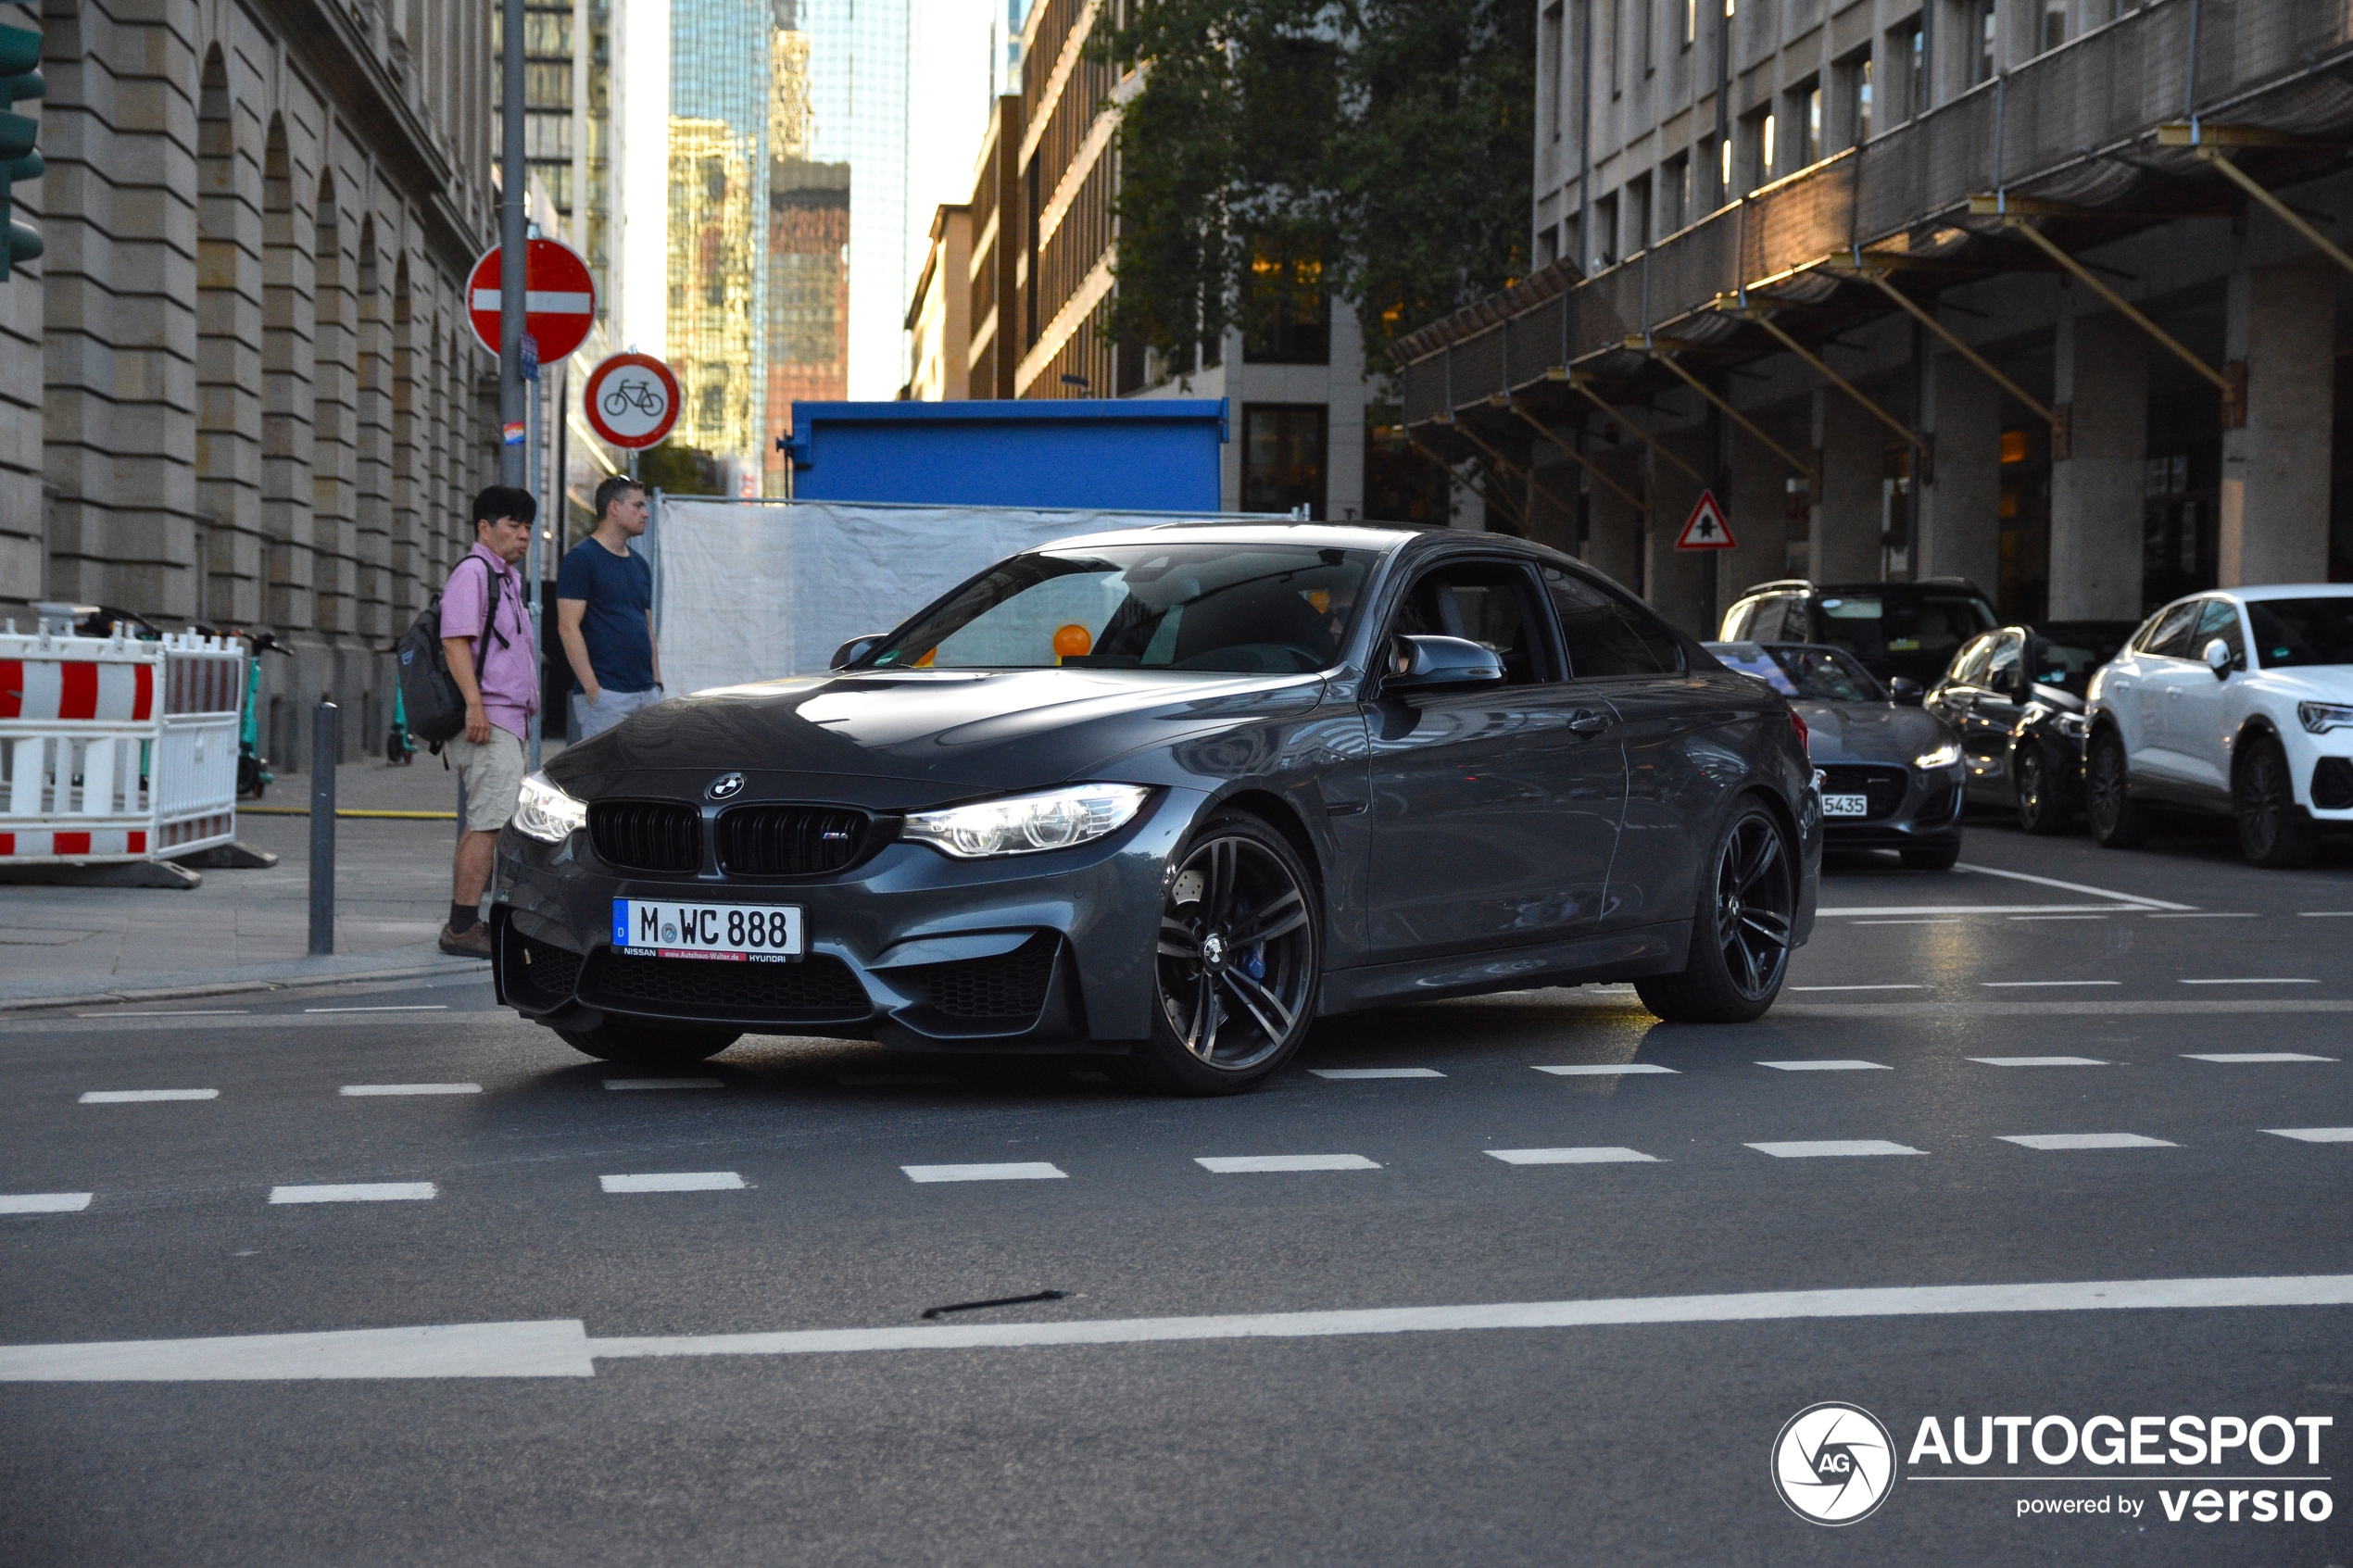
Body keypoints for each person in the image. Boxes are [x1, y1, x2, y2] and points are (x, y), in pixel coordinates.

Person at [437, 485, 540, 959]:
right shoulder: (474, 572)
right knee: (491, 823)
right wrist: (475, 707)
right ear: (485, 527)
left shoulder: (507, 579)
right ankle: (461, 928)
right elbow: (455, 641)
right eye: (513, 526)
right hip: (489, 719)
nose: (523, 536)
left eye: (527, 528)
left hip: (505, 720)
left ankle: (468, 920)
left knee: (488, 820)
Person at [557, 475, 663, 741]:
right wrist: (594, 692)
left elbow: (647, 627)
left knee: (644, 778)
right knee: (607, 779)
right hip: (607, 697)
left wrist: (657, 685)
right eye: (637, 506)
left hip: (645, 693)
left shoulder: (640, 564)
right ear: (614, 508)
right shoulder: (581, 559)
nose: (646, 514)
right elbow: (568, 627)